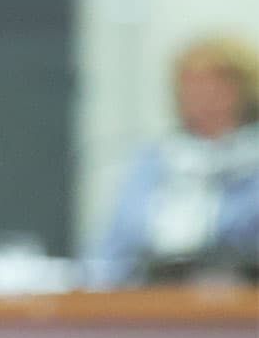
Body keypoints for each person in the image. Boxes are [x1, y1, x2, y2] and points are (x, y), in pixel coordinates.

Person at [95, 33, 259, 285]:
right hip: (149, 300)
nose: (203, 97)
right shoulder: (153, 163)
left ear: (244, 91)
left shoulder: (251, 163)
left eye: (216, 85)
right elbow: (109, 250)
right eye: (192, 86)